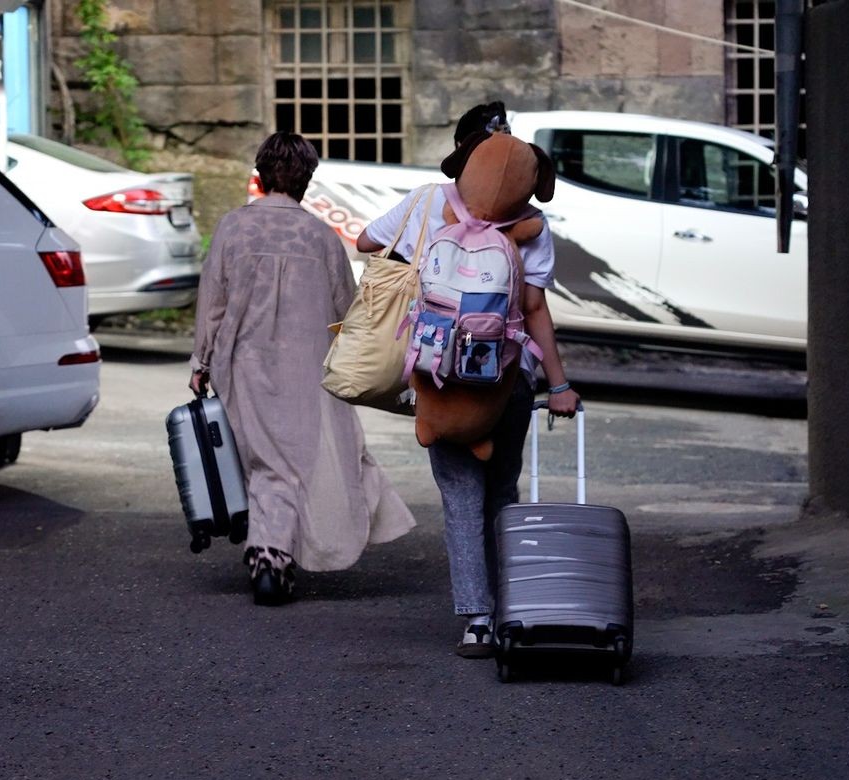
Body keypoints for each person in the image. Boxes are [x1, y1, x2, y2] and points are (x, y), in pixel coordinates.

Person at [354, 102, 580, 657]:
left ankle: (476, 619)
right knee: (501, 491)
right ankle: (509, 610)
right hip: (509, 380)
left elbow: (364, 241)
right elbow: (534, 310)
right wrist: (559, 385)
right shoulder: (531, 222)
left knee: (459, 495)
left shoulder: (430, 202)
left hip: (439, 375)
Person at [189, 131, 415, 606]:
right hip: (309, 370)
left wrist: (201, 360)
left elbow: (213, 303)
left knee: (263, 463)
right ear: (307, 180)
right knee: (314, 459)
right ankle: (279, 555)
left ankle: (269, 555)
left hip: (243, 364)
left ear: (260, 173)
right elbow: (346, 312)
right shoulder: (321, 237)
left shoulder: (232, 228)